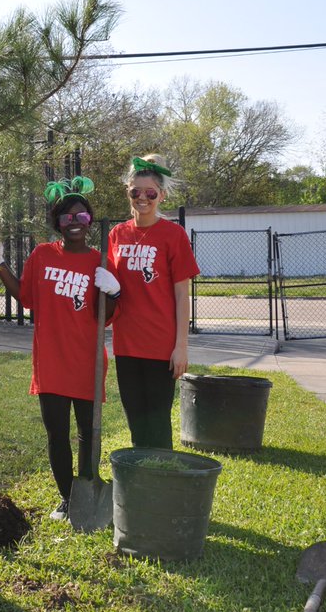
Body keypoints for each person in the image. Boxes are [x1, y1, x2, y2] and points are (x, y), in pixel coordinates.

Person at [0, 176, 120, 521]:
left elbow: (106, 317)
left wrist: (114, 292)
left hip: (87, 361)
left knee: (88, 433)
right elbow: (27, 298)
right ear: (58, 224)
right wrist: (0, 266)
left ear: (90, 221)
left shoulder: (101, 261)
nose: (76, 223)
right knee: (57, 434)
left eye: (82, 217)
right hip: (50, 361)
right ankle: (67, 497)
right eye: (68, 218)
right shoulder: (42, 255)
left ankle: (88, 489)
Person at [105, 155, 201, 450]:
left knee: (157, 423)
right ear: (128, 193)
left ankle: (161, 483)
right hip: (126, 343)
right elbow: (109, 288)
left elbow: (181, 294)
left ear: (162, 195)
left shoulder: (173, 235)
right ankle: (139, 483)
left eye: (150, 193)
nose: (142, 198)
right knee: (136, 421)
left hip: (161, 346)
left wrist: (181, 346)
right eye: (136, 192)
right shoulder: (117, 234)